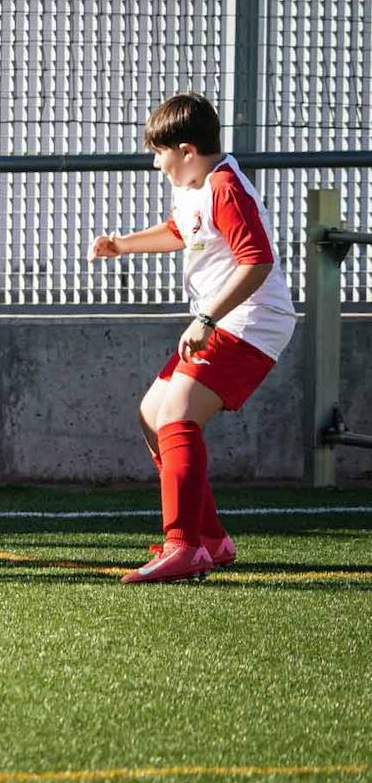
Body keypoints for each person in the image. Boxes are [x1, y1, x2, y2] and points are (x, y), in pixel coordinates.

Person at [89, 92, 296, 583]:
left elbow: (257, 262)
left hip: (253, 320)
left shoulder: (226, 187)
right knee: (152, 415)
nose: (156, 164)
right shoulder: (195, 187)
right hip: (226, 319)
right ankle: (211, 540)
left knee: (177, 415)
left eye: (159, 153)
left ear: (186, 150)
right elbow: (180, 230)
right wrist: (122, 245)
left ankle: (183, 547)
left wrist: (206, 319)